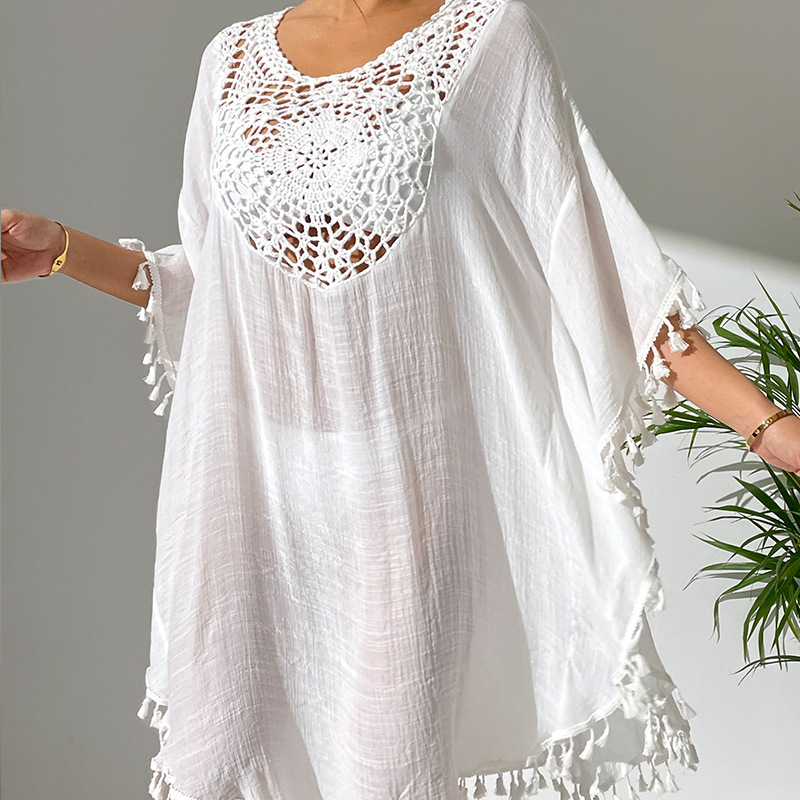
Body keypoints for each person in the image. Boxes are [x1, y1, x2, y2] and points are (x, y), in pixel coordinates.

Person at [3, 1, 799, 799]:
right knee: (220, 765)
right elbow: (213, 284)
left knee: (391, 775)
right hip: (250, 493)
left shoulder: (488, 39)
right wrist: (61, 250)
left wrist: (766, 426)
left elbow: (595, 261)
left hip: (408, 493)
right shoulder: (232, 60)